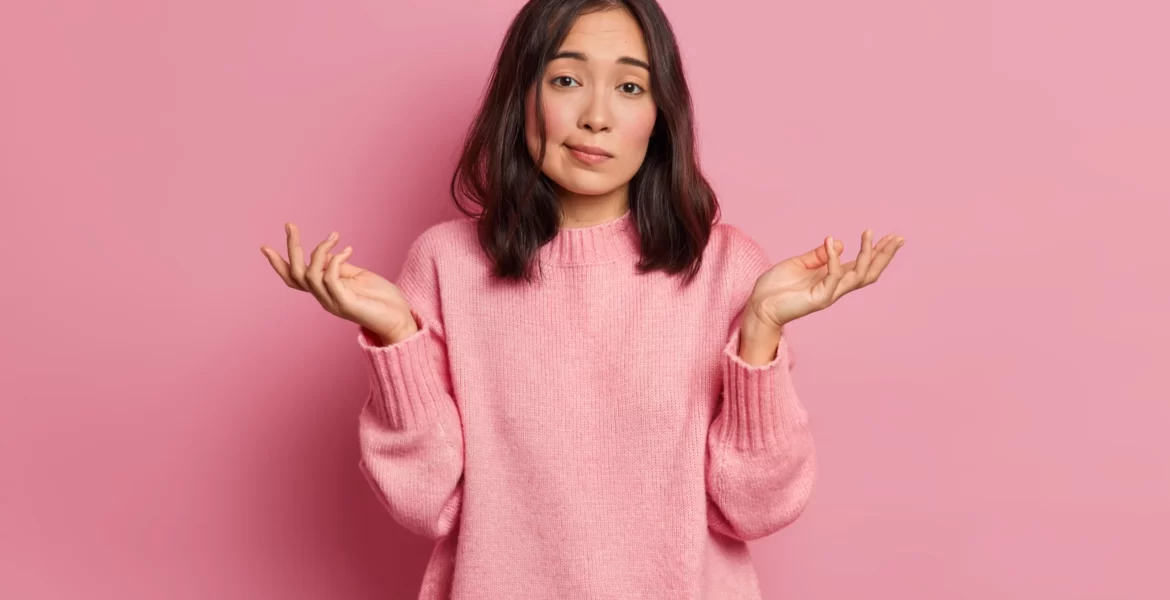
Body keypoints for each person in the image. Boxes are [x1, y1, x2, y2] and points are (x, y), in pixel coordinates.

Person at [260, 0, 904, 597]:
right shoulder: (446, 264)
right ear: (524, 95)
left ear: (660, 115)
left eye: (630, 87)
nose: (597, 115)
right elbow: (426, 504)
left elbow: (756, 509)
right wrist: (398, 340)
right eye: (567, 80)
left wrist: (759, 331)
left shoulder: (728, 271)